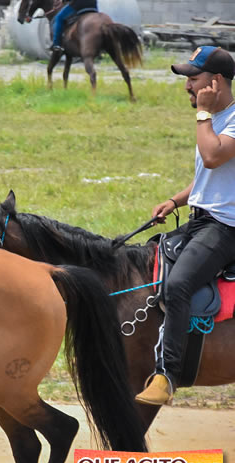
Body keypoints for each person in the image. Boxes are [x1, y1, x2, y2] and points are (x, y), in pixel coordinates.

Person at [135, 46, 235, 406]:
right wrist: (176, 200)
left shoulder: (227, 120)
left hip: (226, 228)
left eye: (193, 78)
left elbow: (212, 157)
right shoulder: (215, 121)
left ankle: (167, 376)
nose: (187, 86)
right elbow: (210, 179)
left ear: (216, 81)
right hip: (201, 220)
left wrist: (203, 114)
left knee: (177, 285)